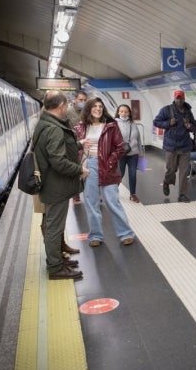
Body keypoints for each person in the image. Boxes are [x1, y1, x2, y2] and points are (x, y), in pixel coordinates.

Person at [32, 90, 90, 280]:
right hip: (55, 186)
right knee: (54, 227)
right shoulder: (54, 128)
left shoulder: (46, 122)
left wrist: (79, 144)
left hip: (52, 184)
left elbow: (60, 147)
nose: (67, 109)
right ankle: (56, 267)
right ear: (61, 106)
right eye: (66, 106)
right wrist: (79, 170)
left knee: (53, 225)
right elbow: (58, 161)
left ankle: (58, 259)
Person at [74, 97, 136, 247]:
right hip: (88, 166)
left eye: (100, 106)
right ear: (88, 109)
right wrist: (80, 166)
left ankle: (125, 233)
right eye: (94, 106)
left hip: (107, 166)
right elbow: (73, 147)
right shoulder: (80, 127)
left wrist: (110, 162)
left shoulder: (110, 126)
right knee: (91, 203)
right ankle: (95, 235)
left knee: (112, 201)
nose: (98, 109)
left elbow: (120, 147)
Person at [153, 90, 196, 202]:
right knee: (171, 169)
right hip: (171, 146)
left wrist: (189, 125)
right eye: (177, 98)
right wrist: (168, 123)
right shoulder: (166, 110)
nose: (179, 100)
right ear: (174, 98)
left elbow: (194, 127)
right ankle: (167, 182)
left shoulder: (188, 112)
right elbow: (156, 122)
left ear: (184, 98)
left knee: (184, 171)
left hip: (185, 146)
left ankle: (182, 194)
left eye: (181, 98)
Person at [116, 104, 143, 202]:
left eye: (126, 111)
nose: (124, 113)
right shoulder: (114, 123)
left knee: (133, 174)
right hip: (121, 154)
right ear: (118, 112)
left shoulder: (134, 124)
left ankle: (133, 194)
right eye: (121, 111)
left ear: (129, 113)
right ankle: (113, 192)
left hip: (134, 154)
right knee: (120, 174)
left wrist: (141, 153)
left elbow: (138, 139)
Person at [66, 90, 87, 205]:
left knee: (88, 169)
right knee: (76, 170)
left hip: (86, 145)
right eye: (80, 100)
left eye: (84, 100)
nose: (82, 102)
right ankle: (76, 195)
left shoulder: (87, 112)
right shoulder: (68, 112)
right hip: (73, 145)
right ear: (75, 100)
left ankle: (89, 192)